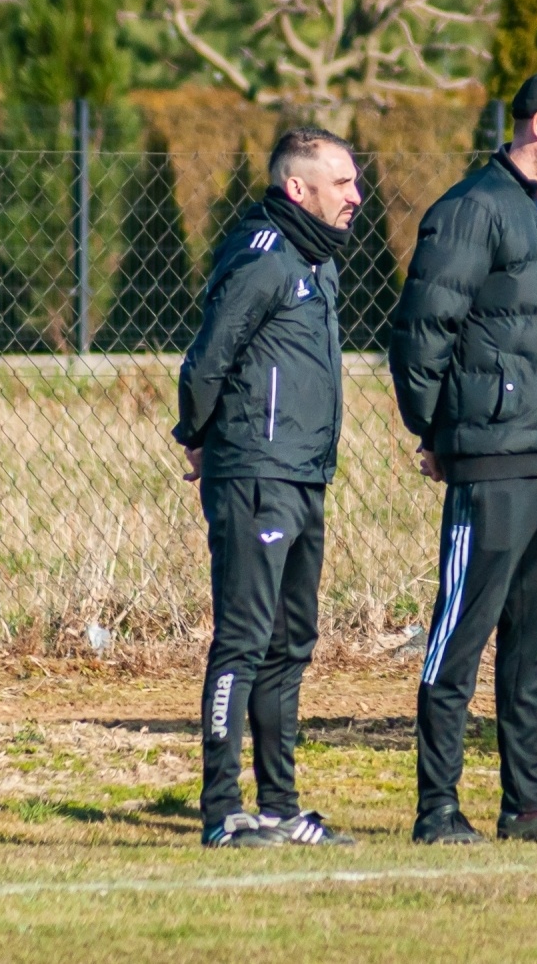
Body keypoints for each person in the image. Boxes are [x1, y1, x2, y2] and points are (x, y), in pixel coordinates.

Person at [389, 68, 537, 845]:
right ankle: (437, 810)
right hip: (492, 462)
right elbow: (421, 334)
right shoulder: (469, 211)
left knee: (533, 651)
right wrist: (437, 435)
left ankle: (527, 805)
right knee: (459, 637)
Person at [173, 128, 362, 847]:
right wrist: (199, 435)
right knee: (245, 640)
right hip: (255, 473)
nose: (356, 196)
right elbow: (207, 359)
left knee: (292, 644)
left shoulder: (317, 264)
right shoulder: (261, 258)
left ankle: (280, 805)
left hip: (305, 476)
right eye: (342, 182)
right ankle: (223, 810)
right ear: (297, 189)